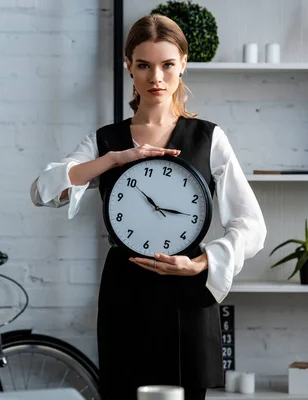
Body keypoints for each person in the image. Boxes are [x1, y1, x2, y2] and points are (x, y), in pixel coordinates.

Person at [29, 14, 267, 400]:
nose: (156, 77)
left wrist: (202, 263)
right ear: (129, 67)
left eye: (167, 64)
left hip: (189, 291)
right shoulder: (106, 140)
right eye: (144, 65)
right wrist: (114, 160)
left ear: (183, 64)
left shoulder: (208, 137)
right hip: (126, 293)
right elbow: (42, 190)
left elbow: (251, 224)